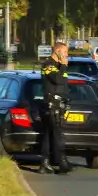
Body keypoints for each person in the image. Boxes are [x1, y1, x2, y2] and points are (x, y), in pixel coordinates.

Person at [40, 41, 70, 174]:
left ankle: (44, 163)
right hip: (51, 104)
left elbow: (63, 83)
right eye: (64, 52)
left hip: (60, 103)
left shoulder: (59, 66)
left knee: (49, 134)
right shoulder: (48, 65)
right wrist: (63, 66)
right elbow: (57, 80)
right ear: (57, 51)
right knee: (57, 133)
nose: (66, 55)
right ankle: (62, 162)